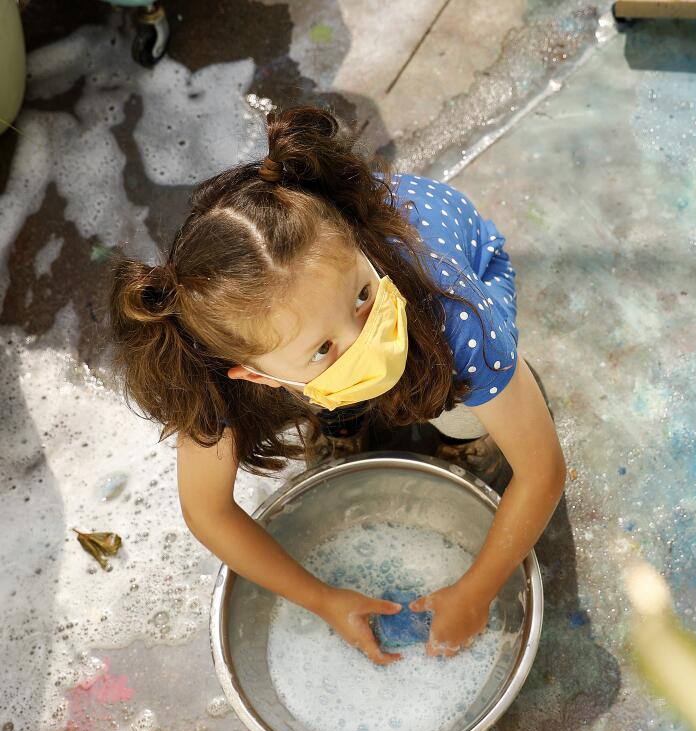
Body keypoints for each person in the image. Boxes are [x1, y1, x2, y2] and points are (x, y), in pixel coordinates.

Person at [107, 104, 565, 664]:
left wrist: (477, 589)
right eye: (324, 348)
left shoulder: (453, 311)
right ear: (252, 374)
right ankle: (342, 412)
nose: (366, 334)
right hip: (312, 350)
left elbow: (542, 471)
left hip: (451, 277)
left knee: (462, 399)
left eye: (362, 297)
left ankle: (463, 436)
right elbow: (208, 513)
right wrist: (320, 599)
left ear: (358, 246)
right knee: (331, 391)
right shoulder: (212, 382)